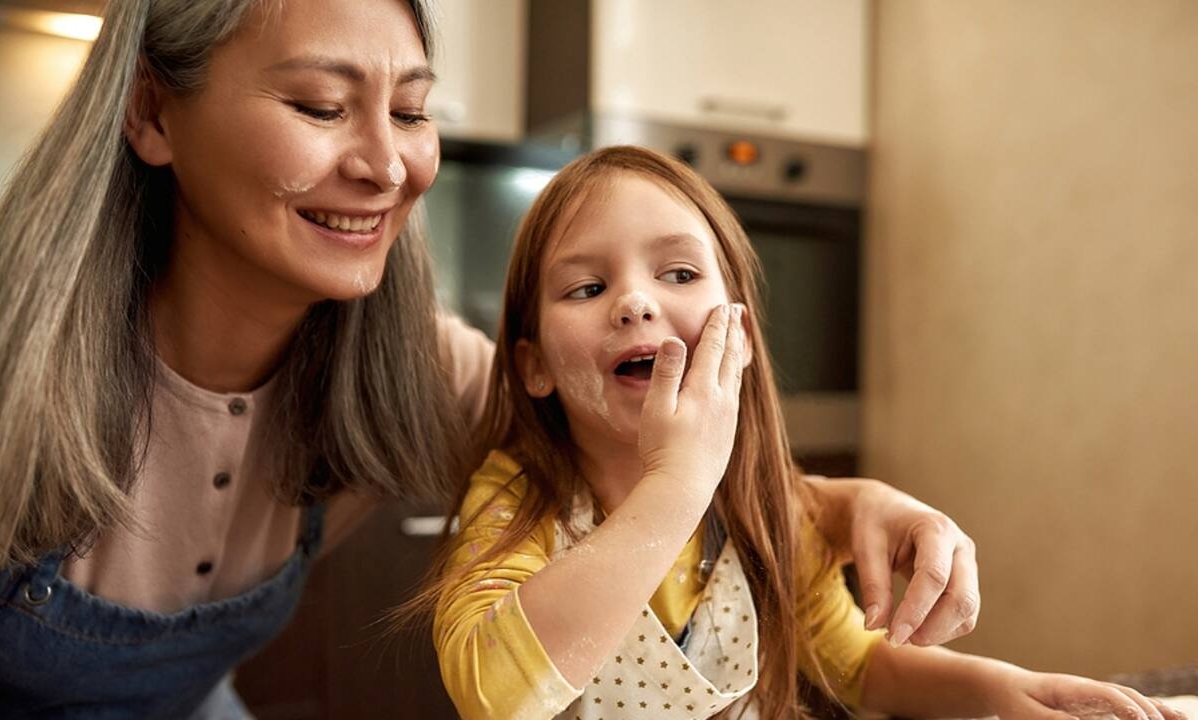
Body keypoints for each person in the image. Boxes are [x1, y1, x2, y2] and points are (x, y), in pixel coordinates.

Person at [0, 0, 983, 716]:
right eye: (319, 106)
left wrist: (847, 502)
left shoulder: (420, 372)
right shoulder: (16, 364)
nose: (388, 165)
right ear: (152, 115)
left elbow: (631, 453)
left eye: (414, 112)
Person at [429, 146, 1186, 720]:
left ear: (742, 339)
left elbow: (858, 663)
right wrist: (675, 486)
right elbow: (492, 688)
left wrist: (1008, 690)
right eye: (588, 288)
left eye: (680, 275)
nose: (634, 302)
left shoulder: (762, 508)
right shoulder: (516, 498)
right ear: (532, 366)